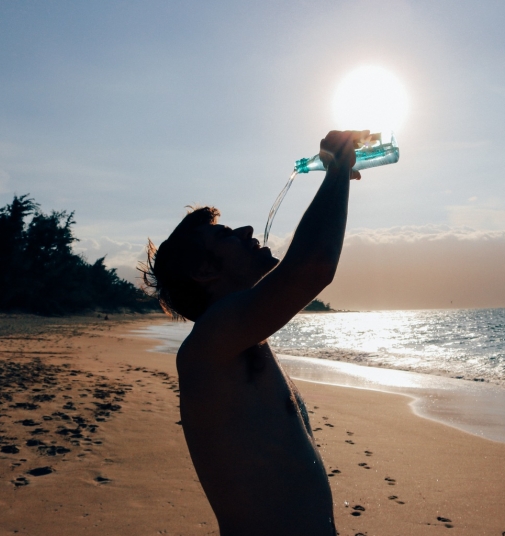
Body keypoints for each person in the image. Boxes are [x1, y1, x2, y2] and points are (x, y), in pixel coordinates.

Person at [141, 130, 367, 535]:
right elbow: (312, 267)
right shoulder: (210, 344)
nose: (246, 229)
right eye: (225, 235)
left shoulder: (241, 342)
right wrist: (335, 169)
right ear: (205, 271)